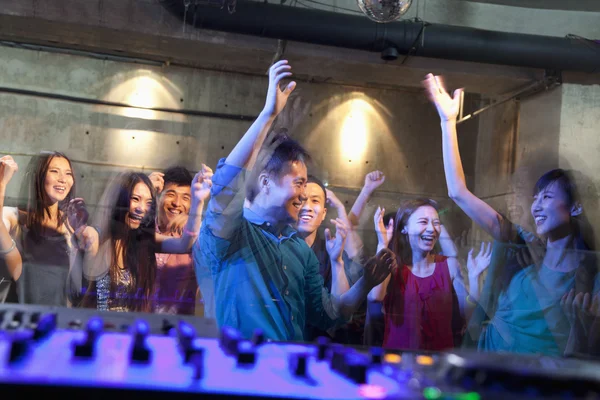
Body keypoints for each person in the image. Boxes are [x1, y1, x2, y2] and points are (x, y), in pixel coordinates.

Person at [197, 60, 393, 341]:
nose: (303, 194)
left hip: (287, 373)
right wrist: (267, 116)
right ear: (265, 182)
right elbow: (227, 184)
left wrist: (367, 283)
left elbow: (329, 314)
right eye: (298, 183)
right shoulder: (232, 232)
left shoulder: (299, 250)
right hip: (237, 374)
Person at [423, 73, 598, 355]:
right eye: (535, 197)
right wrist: (448, 123)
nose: (536, 205)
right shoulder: (523, 243)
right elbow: (458, 192)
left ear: (576, 207)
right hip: (484, 371)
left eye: (548, 197)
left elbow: (586, 355)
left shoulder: (591, 275)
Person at [76, 166, 211, 312]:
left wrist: (198, 202)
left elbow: (185, 244)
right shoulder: (96, 237)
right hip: (98, 326)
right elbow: (80, 291)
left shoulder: (144, 241)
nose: (142, 208)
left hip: (139, 327)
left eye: (148, 203)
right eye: (135, 199)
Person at [369, 199, 487, 350]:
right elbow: (375, 296)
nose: (432, 229)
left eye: (436, 223)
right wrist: (382, 245)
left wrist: (474, 279)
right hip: (400, 363)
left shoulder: (448, 265)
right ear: (405, 228)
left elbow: (469, 316)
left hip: (439, 365)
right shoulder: (394, 267)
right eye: (423, 222)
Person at [0, 151, 94, 306]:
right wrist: (2, 183)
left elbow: (84, 284)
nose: (63, 179)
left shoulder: (72, 225)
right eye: (54, 171)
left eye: (68, 173)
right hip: (24, 317)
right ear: (38, 176)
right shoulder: (15, 217)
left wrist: (82, 231)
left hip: (62, 320)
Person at [298, 175, 364, 344]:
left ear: (324, 213)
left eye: (315, 201)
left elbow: (341, 313)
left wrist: (337, 261)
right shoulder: (278, 247)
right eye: (302, 200)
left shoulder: (329, 251)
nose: (308, 207)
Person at [149, 166, 200, 315]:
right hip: (138, 322)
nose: (177, 203)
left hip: (177, 329)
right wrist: (146, 189)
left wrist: (192, 228)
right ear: (158, 196)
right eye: (171, 194)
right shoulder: (143, 230)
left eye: (186, 198)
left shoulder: (196, 238)